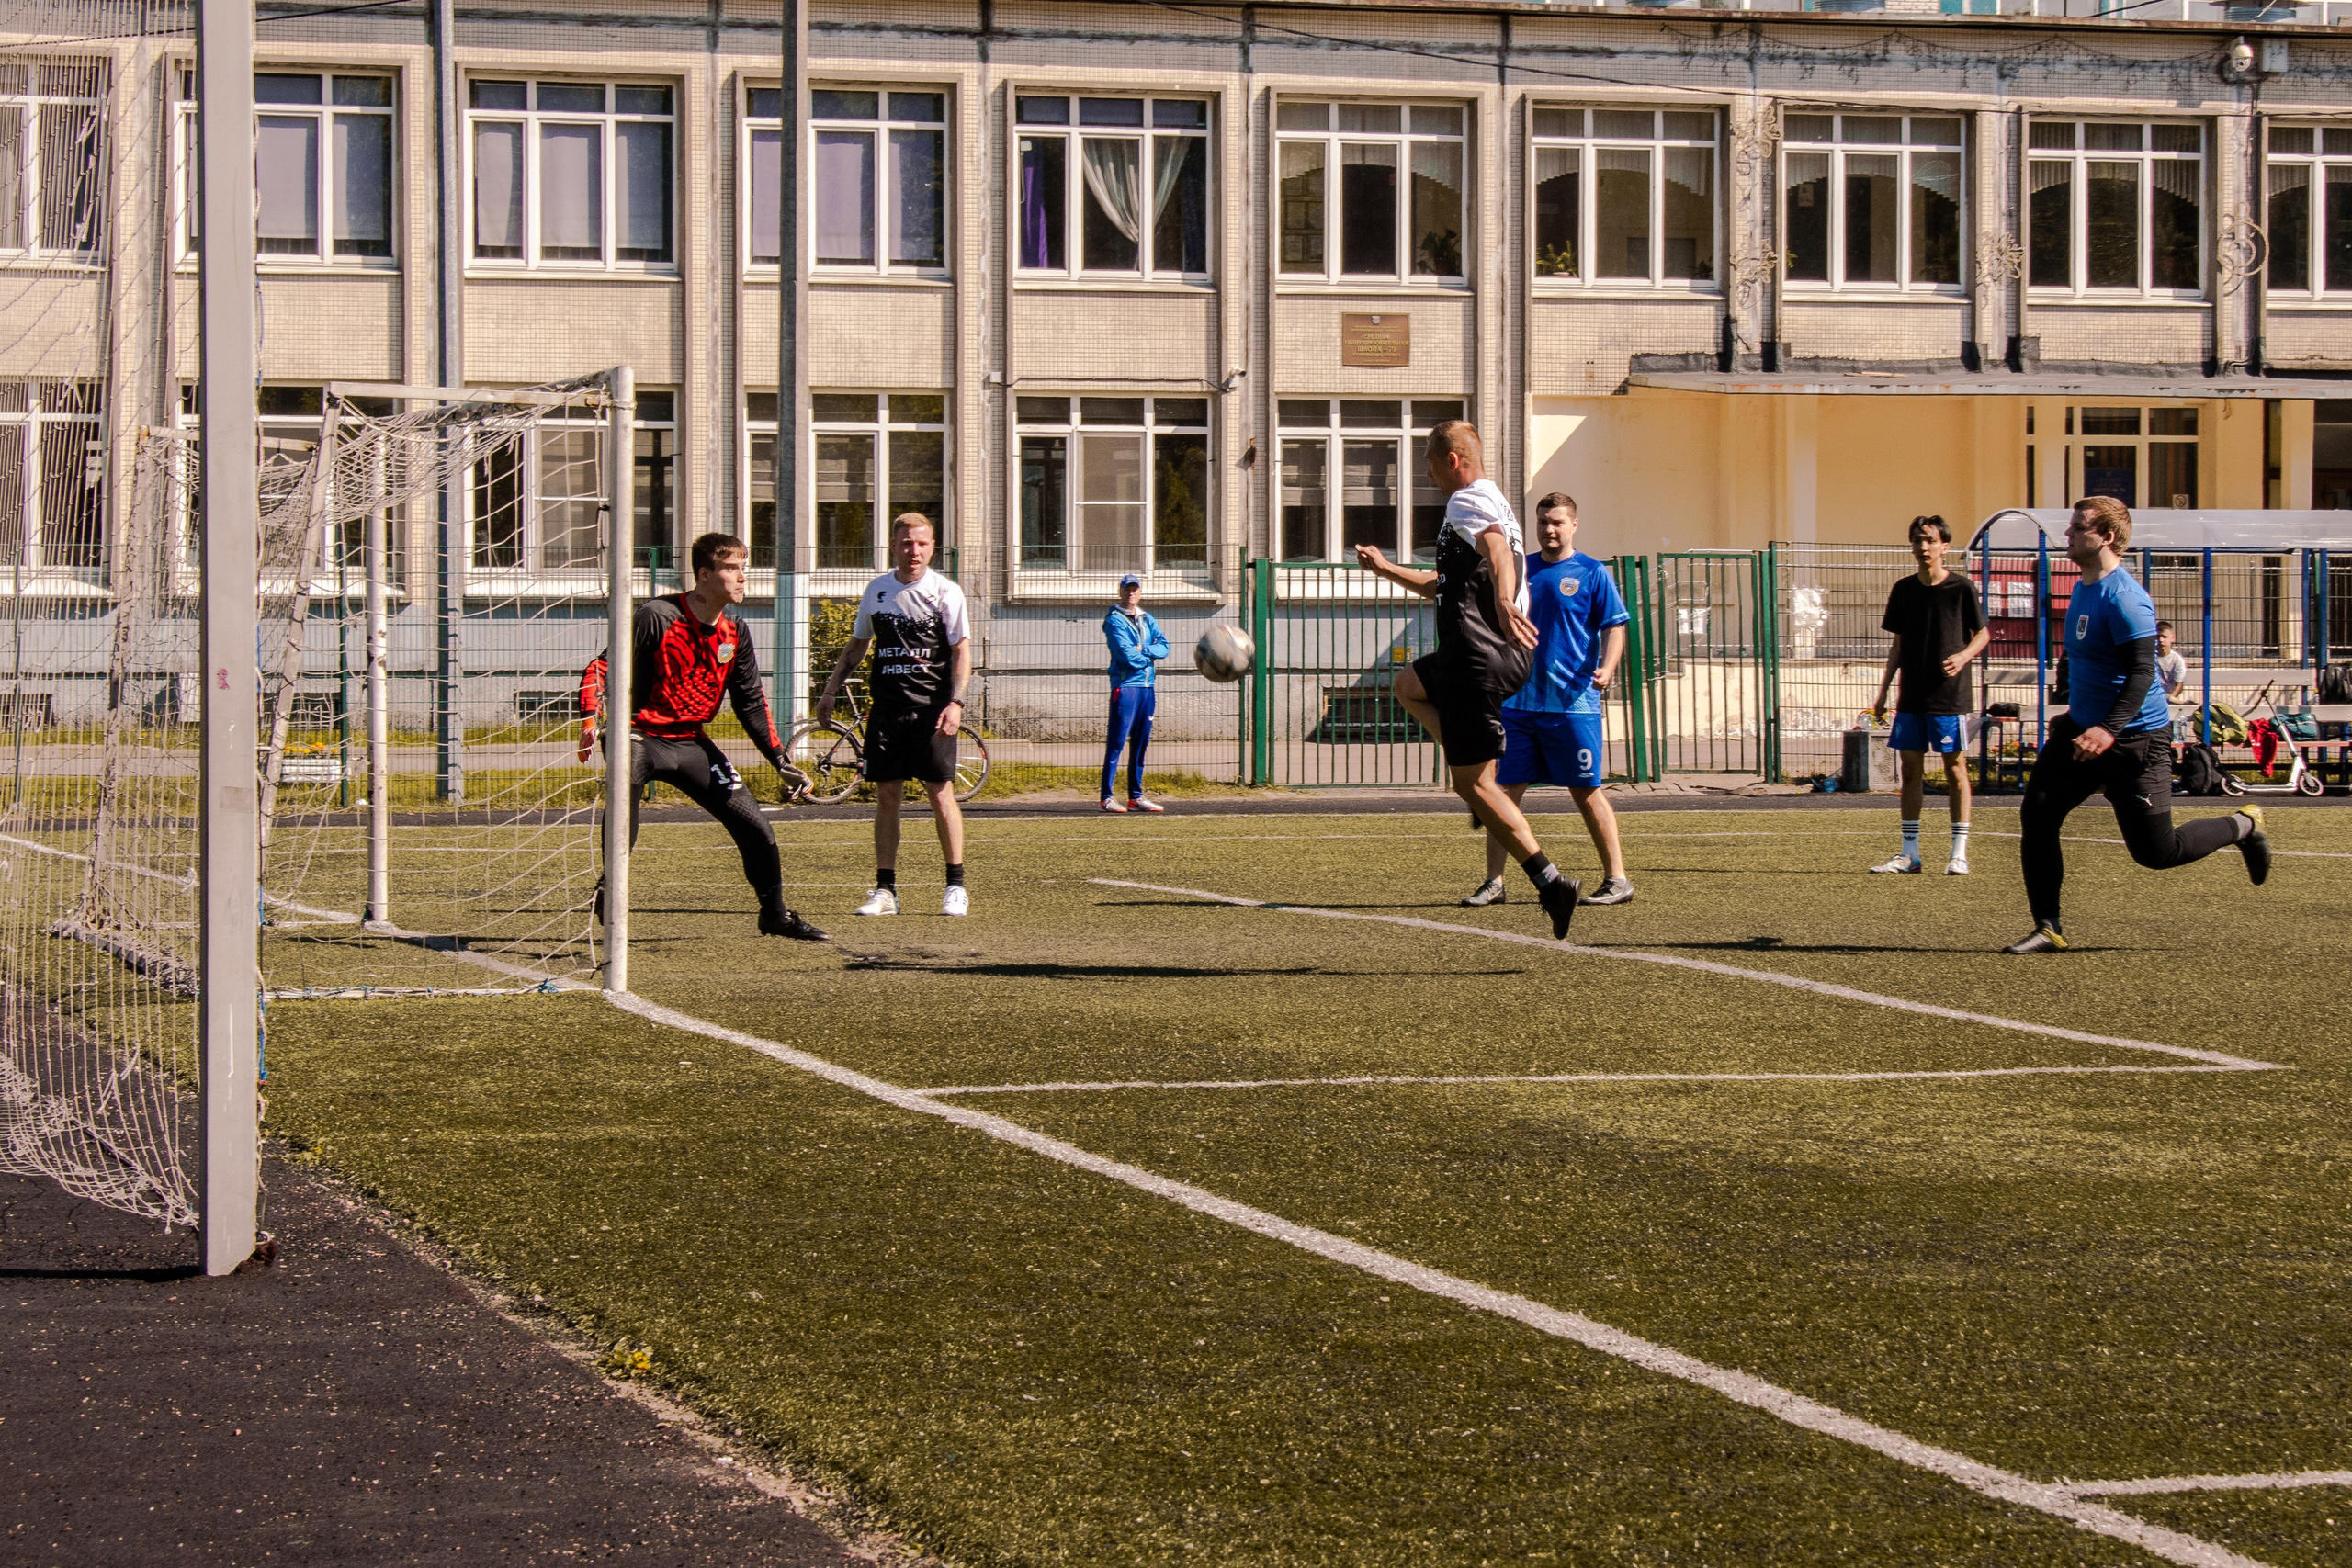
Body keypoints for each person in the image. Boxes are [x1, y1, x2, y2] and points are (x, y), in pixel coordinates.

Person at [2002, 497, 2271, 954]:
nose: (2066, 534)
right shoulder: (2083, 586)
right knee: (2039, 816)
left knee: (2155, 853)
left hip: (2134, 741)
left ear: (2106, 537)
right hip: (2081, 734)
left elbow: (2143, 672)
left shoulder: (2127, 598)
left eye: (2077, 527)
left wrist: (2107, 730)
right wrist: (2071, 707)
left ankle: (2242, 825)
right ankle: (2048, 927)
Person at [1354, 420, 1580, 940]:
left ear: (1452, 461)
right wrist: (1387, 569)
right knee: (1408, 685)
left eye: (1431, 466)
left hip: (1479, 655)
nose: (1430, 477)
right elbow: (1448, 582)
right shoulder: (1495, 500)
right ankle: (1481, 781)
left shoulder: (1466, 502)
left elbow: (1499, 553)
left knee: (1471, 783)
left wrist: (1504, 600)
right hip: (1489, 655)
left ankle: (1551, 883)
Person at [578, 532, 828, 941]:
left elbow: (751, 703)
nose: (743, 577)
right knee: (626, 786)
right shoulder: (657, 616)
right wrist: (590, 719)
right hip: (637, 735)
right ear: (704, 575)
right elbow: (602, 668)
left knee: (756, 826)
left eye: (744, 567)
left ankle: (775, 915)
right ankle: (611, 888)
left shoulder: (736, 633)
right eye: (732, 568)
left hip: (690, 742)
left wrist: (781, 761)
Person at [1458, 492, 1634, 908]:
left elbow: (1615, 628)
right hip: (1519, 705)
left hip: (1573, 706)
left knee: (1586, 791)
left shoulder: (1593, 573)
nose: (1549, 529)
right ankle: (1494, 882)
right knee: (1504, 791)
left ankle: (1617, 879)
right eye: (1543, 522)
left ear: (1574, 525)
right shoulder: (1520, 571)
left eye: (1557, 522)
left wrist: (1608, 669)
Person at [820, 513, 975, 918]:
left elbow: (962, 651)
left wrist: (956, 703)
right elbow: (857, 646)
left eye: (922, 544)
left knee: (940, 794)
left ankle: (955, 886)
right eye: (907, 543)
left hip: (932, 713)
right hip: (887, 712)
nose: (914, 551)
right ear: (893, 546)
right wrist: (830, 690)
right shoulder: (878, 591)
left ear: (932, 547)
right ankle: (885, 891)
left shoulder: (946, 591)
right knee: (887, 797)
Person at [1867, 514, 1990, 876]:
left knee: (1955, 770)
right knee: (1910, 772)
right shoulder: (1903, 590)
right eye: (1918, 540)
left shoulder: (1962, 588)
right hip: (1912, 697)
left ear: (1945, 546)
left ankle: (1959, 853)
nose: (1924, 547)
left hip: (1949, 696)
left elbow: (1982, 634)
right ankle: (1910, 854)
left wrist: (1964, 655)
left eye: (1931, 541)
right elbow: (1898, 644)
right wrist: (1884, 690)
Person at [1101, 572, 1170, 814]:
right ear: (1120, 592)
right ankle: (1107, 797)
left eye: (1135, 589)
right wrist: (1145, 655)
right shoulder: (1114, 620)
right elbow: (1127, 656)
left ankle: (1135, 797)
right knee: (1117, 742)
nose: (1131, 593)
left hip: (1147, 689)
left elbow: (1164, 647)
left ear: (1140, 592)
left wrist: (1144, 649)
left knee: (1141, 743)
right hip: (1126, 687)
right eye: (1127, 589)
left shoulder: (1147, 618)